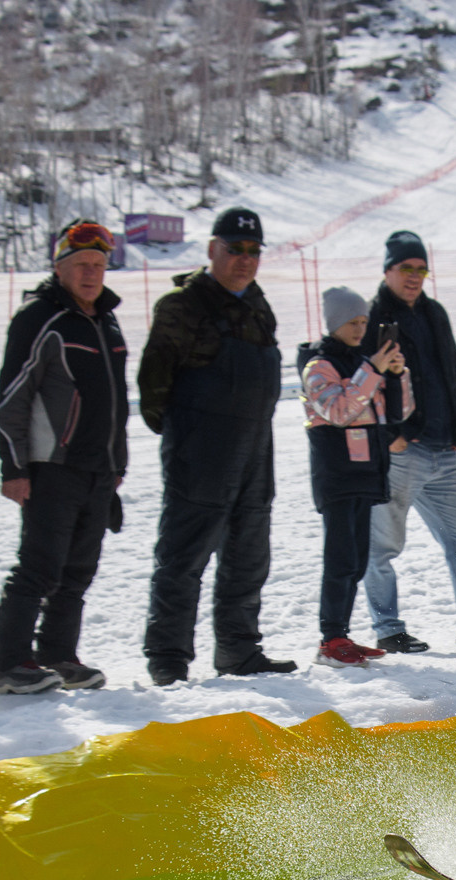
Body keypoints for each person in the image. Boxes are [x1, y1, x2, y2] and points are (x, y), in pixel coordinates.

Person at [138, 208, 294, 685]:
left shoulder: (259, 305)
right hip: (200, 451)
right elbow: (152, 385)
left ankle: (239, 650)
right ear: (212, 250)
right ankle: (168, 658)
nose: (244, 260)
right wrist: (189, 438)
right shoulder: (182, 306)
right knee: (184, 557)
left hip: (255, 449)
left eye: (253, 251)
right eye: (234, 249)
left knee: (248, 555)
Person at [0, 219, 129, 695]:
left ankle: (57, 654)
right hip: (52, 465)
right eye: (81, 264)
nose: (91, 273)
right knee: (40, 567)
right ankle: (8, 663)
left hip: (97, 467)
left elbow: (116, 400)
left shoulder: (106, 321)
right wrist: (14, 468)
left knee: (78, 571)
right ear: (60, 267)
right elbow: (11, 400)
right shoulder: (40, 318)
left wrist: (117, 463)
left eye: (98, 264)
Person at [359, 230, 456, 652]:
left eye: (420, 269)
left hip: (442, 448)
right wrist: (389, 437)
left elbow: (452, 372)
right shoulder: (373, 317)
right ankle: (388, 630)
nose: (414, 276)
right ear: (388, 270)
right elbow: (364, 386)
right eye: (406, 268)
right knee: (384, 543)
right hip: (401, 451)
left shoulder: (435, 312)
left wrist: (455, 430)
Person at [301, 286, 409, 668]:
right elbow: (339, 410)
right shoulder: (318, 366)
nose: (360, 329)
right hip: (338, 475)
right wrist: (374, 370)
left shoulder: (365, 362)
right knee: (341, 558)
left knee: (357, 559)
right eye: (353, 322)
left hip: (367, 474)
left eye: (364, 322)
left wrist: (395, 375)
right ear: (334, 323)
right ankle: (331, 638)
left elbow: (400, 412)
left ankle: (340, 635)